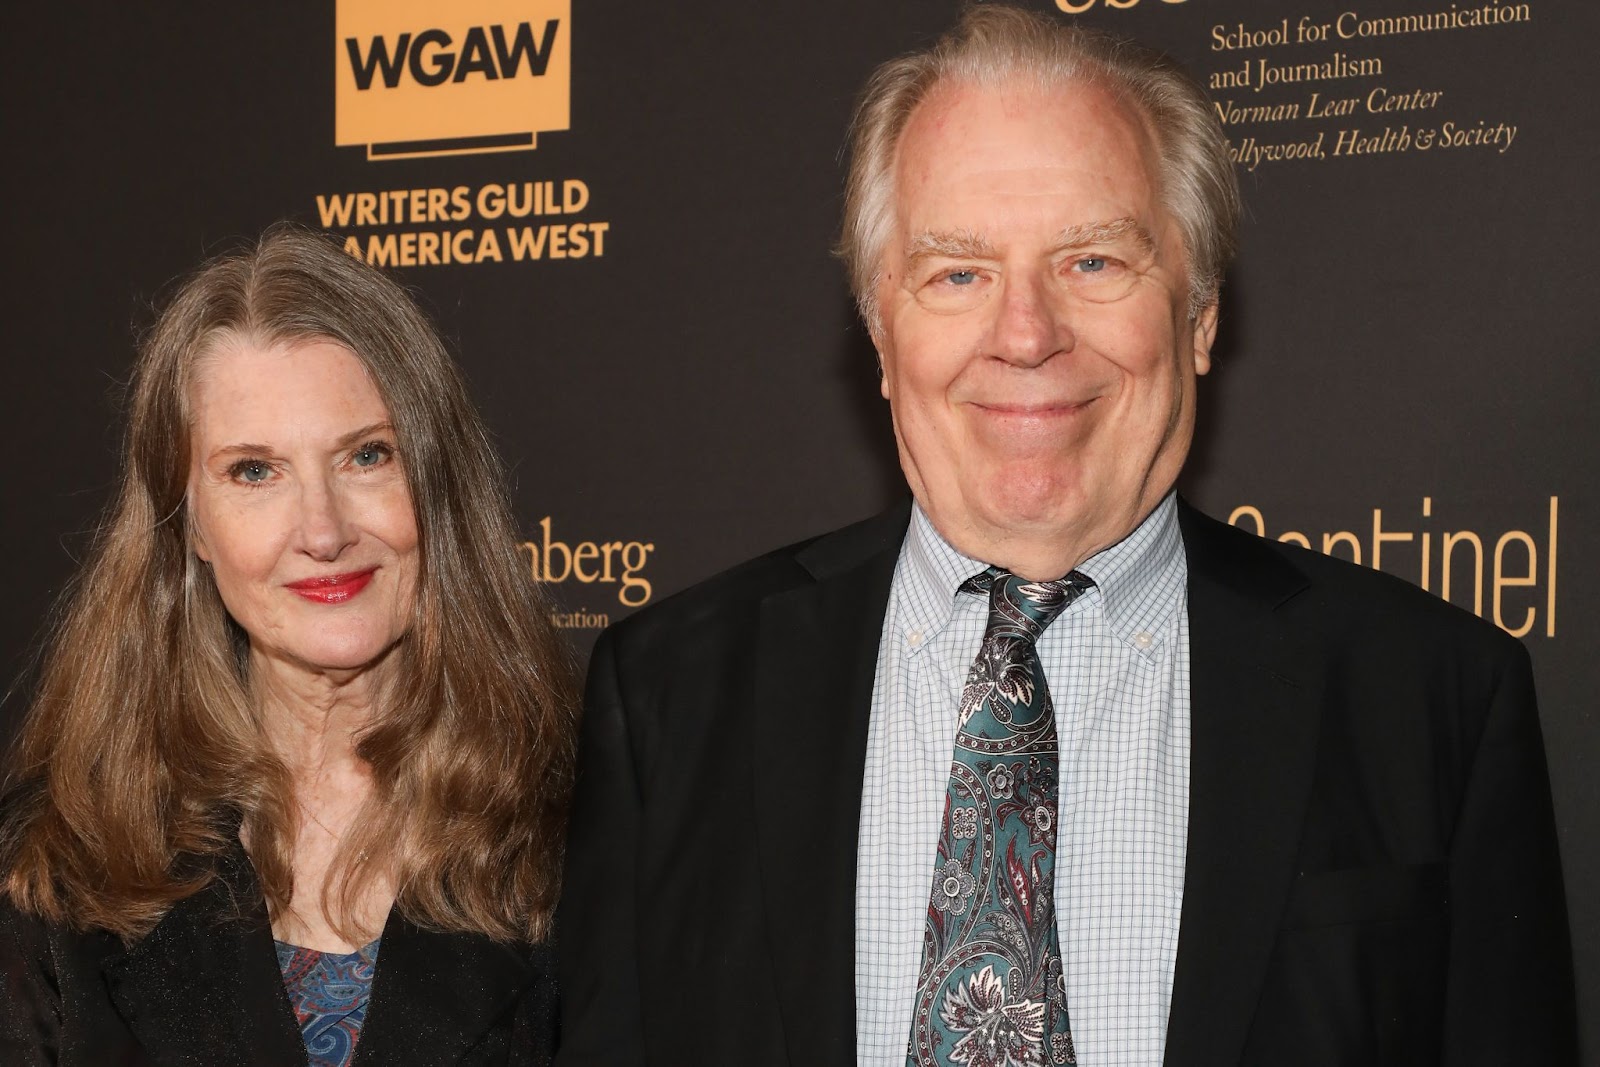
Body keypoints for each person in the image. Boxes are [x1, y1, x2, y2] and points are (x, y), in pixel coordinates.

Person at [557, 6, 1575, 1066]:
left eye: (1092, 261)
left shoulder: (1429, 696)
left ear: (1200, 315)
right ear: (879, 332)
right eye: (957, 272)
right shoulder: (672, 694)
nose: (1026, 333)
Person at [0, 226, 577, 1066]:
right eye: (254, 471)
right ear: (188, 523)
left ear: (436, 483)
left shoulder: (591, 830)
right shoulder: (60, 855)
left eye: (367, 456)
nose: (323, 529)